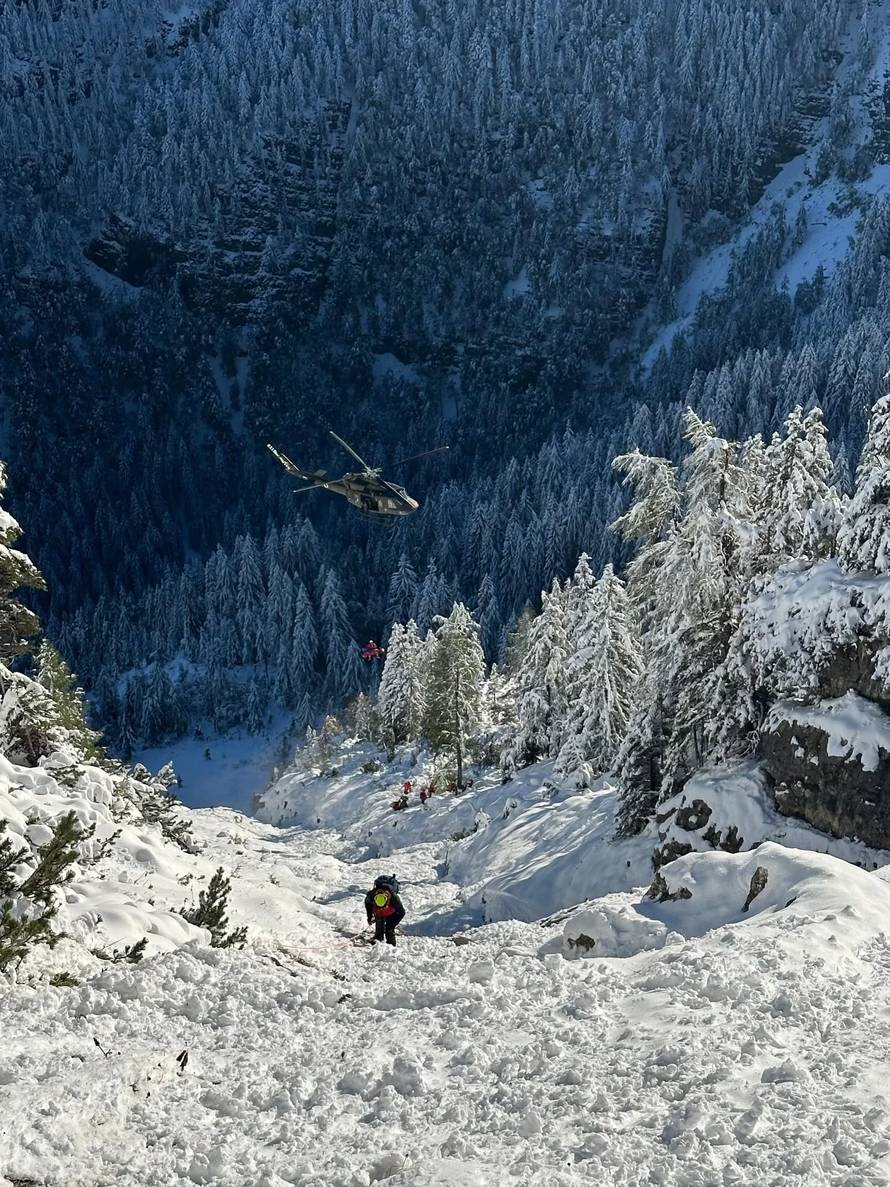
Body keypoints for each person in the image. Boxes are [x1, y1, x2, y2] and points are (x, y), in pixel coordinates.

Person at [364, 875, 405, 946]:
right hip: (378, 913)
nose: (381, 908)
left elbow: (402, 912)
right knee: (379, 926)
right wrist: (370, 917)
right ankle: (378, 939)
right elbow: (368, 906)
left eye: (383, 907)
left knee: (389, 931)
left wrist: (391, 924)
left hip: (392, 913)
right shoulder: (371, 895)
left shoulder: (394, 898)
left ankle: (391, 946)